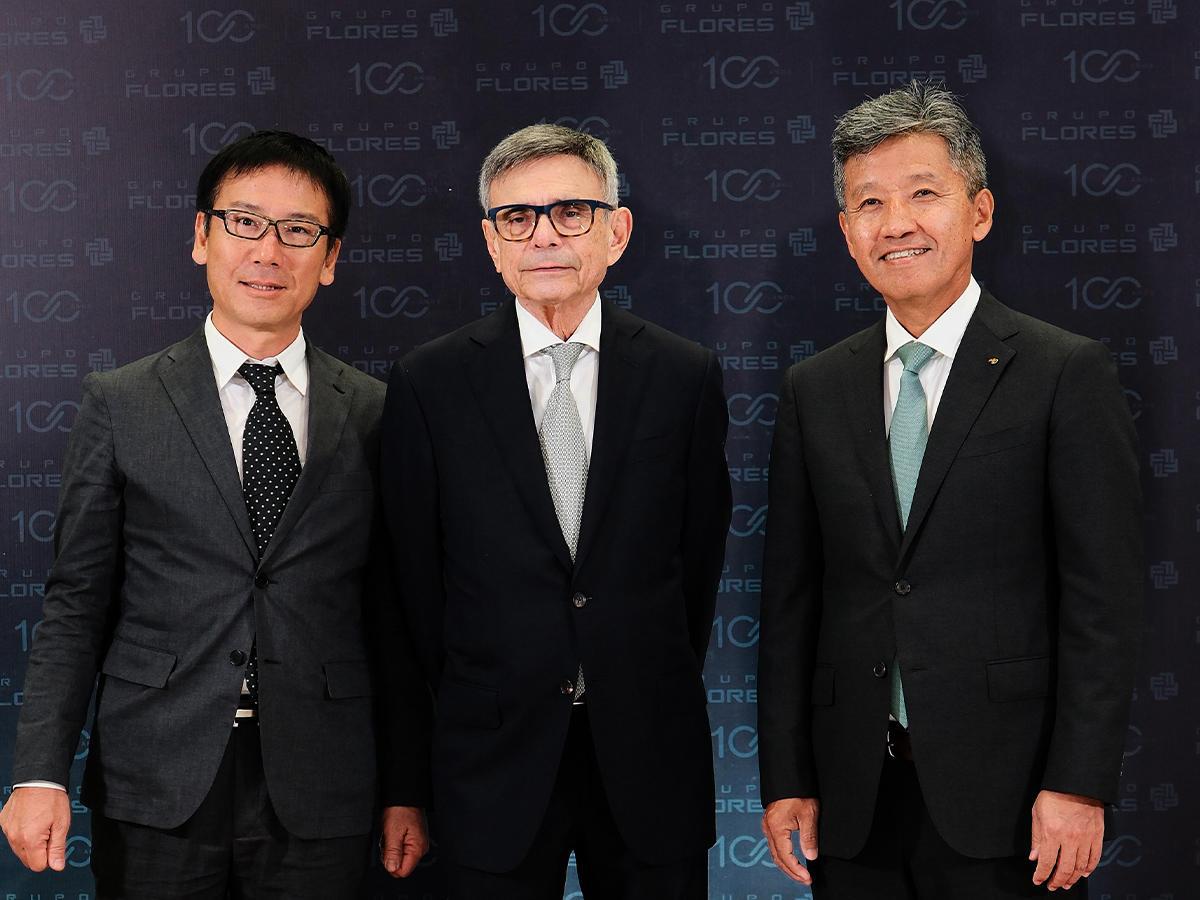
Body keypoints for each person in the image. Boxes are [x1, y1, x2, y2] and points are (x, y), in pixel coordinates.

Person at [0, 130, 429, 898]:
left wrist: (406, 785)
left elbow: (392, 618)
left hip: (323, 783)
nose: (269, 251)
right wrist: (39, 772)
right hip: (156, 777)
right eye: (245, 222)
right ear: (202, 236)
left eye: (298, 230)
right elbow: (75, 605)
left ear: (330, 258)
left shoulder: (377, 412)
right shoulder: (122, 402)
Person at [757, 81, 1142, 898]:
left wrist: (1078, 783)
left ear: (980, 211)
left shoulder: (1063, 371)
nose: (896, 222)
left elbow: (1102, 601)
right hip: (854, 799)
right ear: (847, 233)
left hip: (1011, 797)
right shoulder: (814, 388)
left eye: (923, 193)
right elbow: (791, 602)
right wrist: (787, 776)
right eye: (870, 203)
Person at [376, 123, 732, 899]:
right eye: (517, 218)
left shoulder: (684, 375)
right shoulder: (430, 384)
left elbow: (696, 568)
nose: (544, 235)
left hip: (648, 755)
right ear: (491, 243)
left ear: (617, 231)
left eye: (571, 212)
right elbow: (412, 598)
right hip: (489, 762)